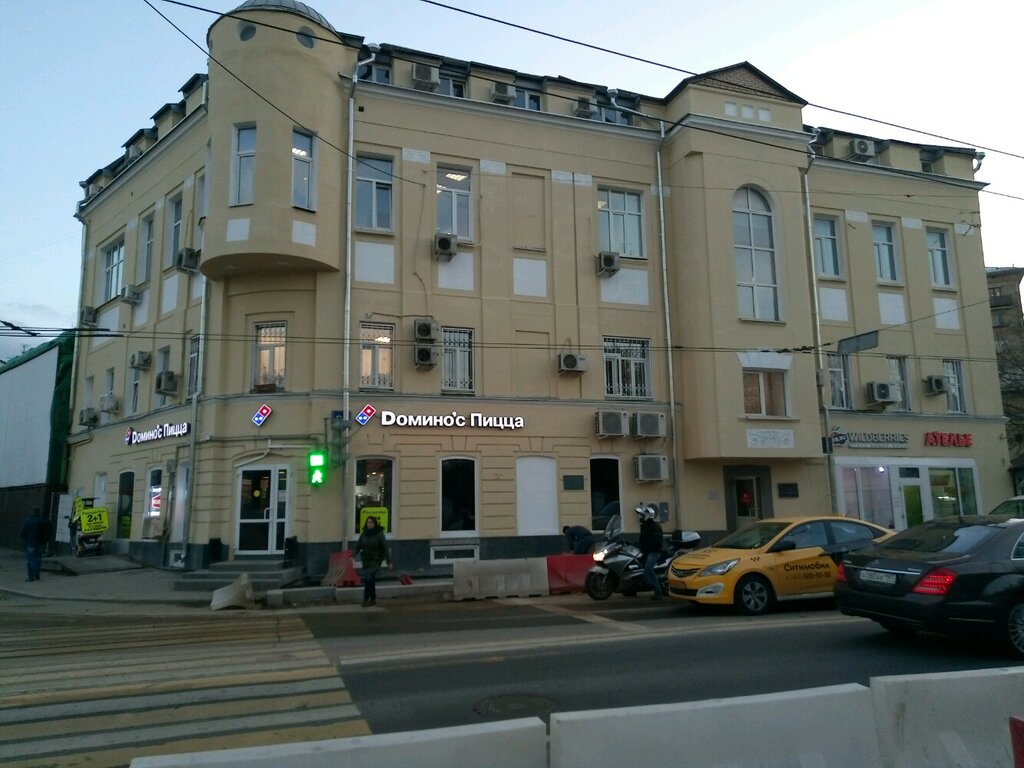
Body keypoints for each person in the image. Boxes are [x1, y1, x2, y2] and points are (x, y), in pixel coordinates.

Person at [353, 516, 392, 607]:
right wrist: (353, 555)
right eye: (368, 522)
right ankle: (373, 599)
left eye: (371, 522)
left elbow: (385, 549)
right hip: (366, 561)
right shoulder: (364, 534)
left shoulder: (379, 534)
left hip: (375, 561)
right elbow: (358, 546)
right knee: (370, 580)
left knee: (368, 578)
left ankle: (365, 600)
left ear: (374, 524)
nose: (369, 524)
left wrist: (389, 562)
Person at [636, 504, 665, 600]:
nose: (640, 517)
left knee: (648, 568)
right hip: (645, 550)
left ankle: (658, 591)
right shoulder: (644, 526)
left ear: (647, 516)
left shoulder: (655, 527)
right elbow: (642, 540)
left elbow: (656, 542)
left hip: (654, 551)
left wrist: (645, 547)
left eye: (641, 515)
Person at [19, 507, 53, 582]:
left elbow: (23, 532)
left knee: (31, 559)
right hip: (40, 542)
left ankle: (31, 576)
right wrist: (45, 540)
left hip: (31, 542)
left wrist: (27, 539)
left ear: (32, 512)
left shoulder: (28, 521)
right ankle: (37, 574)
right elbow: (49, 531)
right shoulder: (43, 520)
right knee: (38, 558)